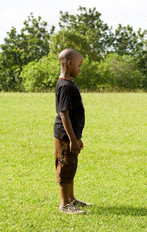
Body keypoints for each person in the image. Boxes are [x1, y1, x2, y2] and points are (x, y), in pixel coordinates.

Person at [54, 49, 91, 214]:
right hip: (64, 136)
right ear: (69, 64)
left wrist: (77, 137)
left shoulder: (68, 84)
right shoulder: (66, 86)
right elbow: (64, 114)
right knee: (65, 166)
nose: (80, 69)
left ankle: (71, 199)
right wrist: (72, 139)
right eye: (79, 65)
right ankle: (64, 204)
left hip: (71, 136)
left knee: (71, 166)